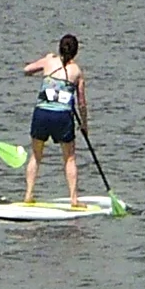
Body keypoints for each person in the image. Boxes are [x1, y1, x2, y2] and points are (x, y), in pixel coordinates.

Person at [22, 34, 88, 206]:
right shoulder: (77, 72)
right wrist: (84, 124)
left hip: (42, 113)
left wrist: (46, 60)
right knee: (70, 158)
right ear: (75, 53)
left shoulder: (48, 62)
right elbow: (81, 103)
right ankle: (74, 199)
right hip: (62, 117)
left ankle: (28, 194)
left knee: (36, 155)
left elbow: (27, 70)